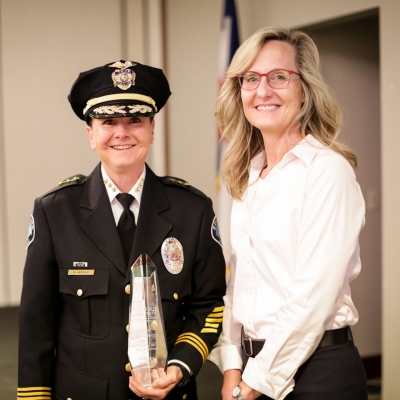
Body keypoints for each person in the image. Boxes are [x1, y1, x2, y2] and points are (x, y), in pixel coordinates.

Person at [18, 60, 226, 400]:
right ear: (90, 134)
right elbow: (35, 326)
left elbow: (209, 304)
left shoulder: (193, 211)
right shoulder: (55, 212)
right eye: (108, 121)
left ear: (152, 129)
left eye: (135, 121)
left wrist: (179, 367)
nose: (122, 132)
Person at [208, 27, 368, 400]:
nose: (263, 91)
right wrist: (232, 363)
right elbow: (240, 282)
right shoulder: (250, 177)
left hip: (318, 374)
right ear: (239, 90)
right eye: (251, 78)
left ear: (305, 89)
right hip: (253, 370)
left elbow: (312, 293)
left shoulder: (327, 171)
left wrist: (256, 381)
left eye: (279, 76)